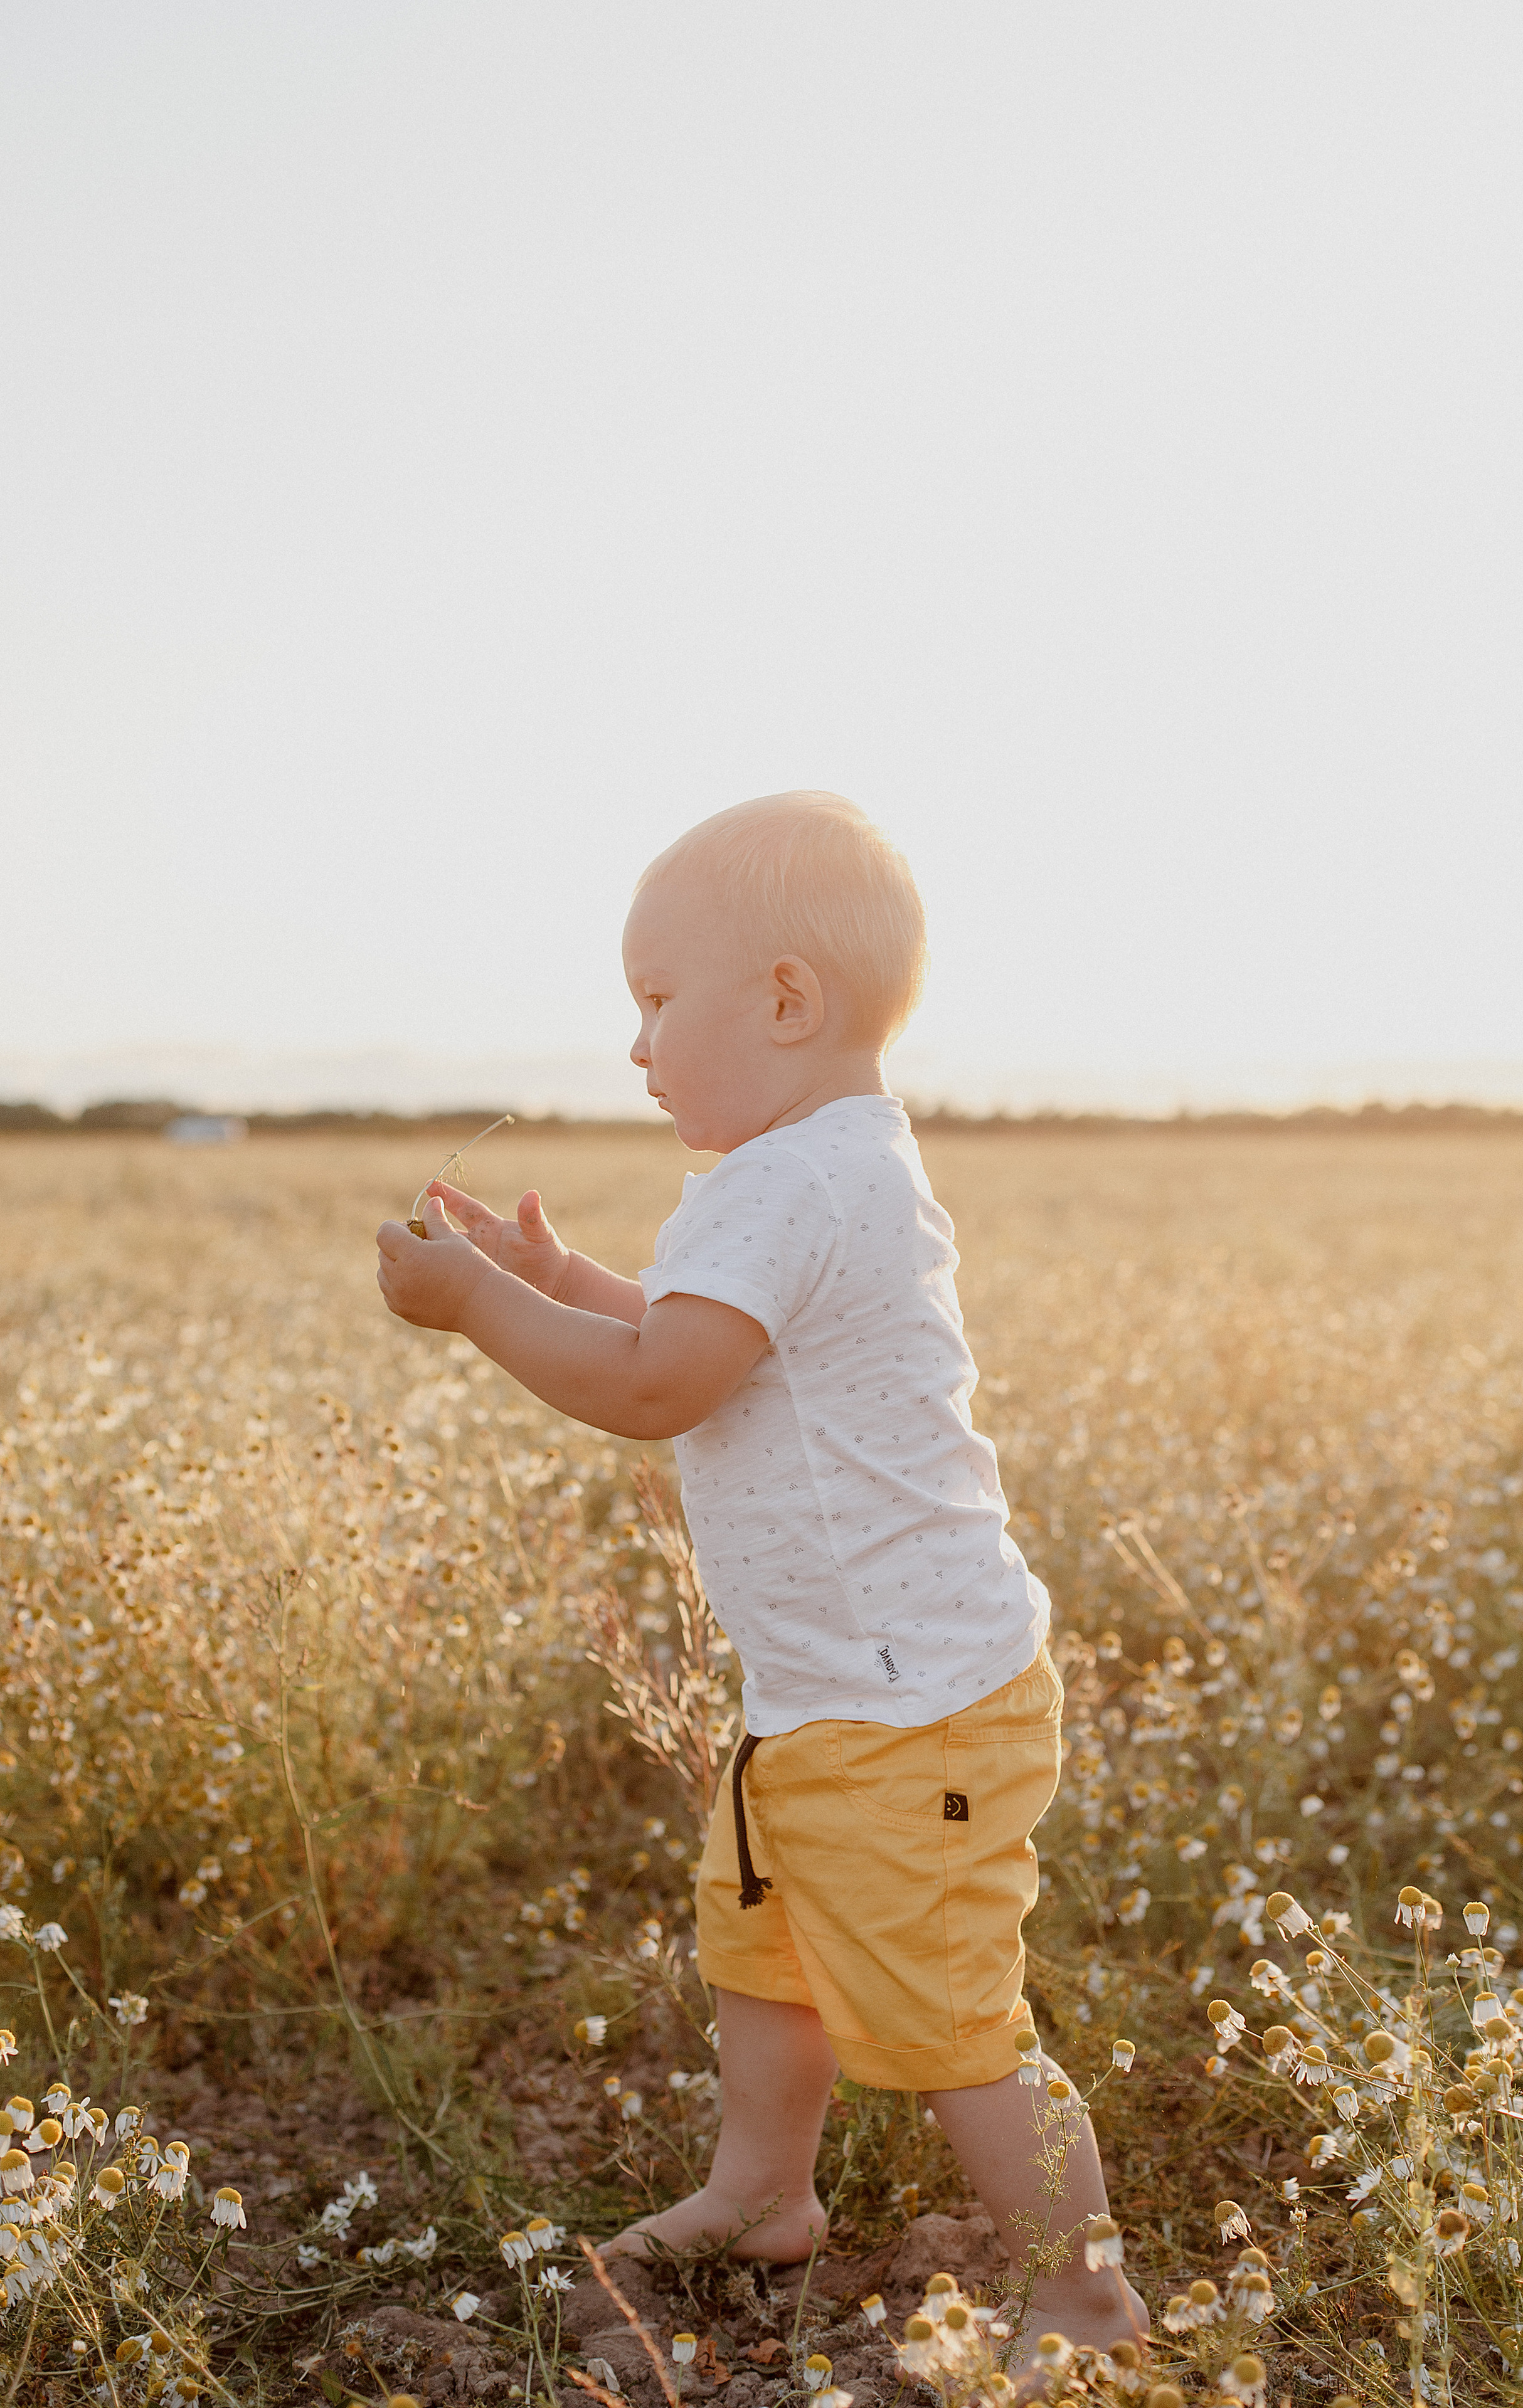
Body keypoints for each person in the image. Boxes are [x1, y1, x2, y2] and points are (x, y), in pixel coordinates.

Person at [375, 792, 1147, 2356]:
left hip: (903, 1706)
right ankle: (761, 2192)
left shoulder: (787, 1180)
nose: (637, 1045)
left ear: (785, 1000)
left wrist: (472, 1309)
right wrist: (555, 1277)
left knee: (949, 2020)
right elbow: (696, 1324)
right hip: (830, 1690)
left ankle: (1082, 2289)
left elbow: (661, 1383)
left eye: (657, 1001)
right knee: (768, 1959)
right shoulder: (824, 1163)